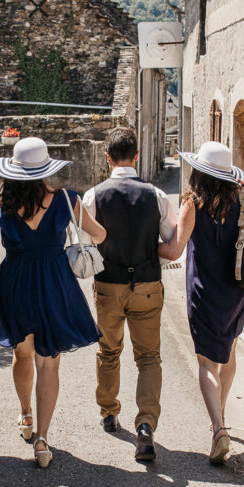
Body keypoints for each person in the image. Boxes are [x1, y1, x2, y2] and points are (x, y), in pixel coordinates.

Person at [0, 137, 107, 468]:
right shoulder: (66, 200)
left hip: (15, 282)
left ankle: (25, 414)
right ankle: (43, 440)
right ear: (46, 169)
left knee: (22, 352)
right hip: (54, 282)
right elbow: (99, 235)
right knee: (50, 361)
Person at [158, 141, 244, 464]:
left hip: (205, 292)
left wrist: (150, 249)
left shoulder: (193, 203)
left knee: (207, 363)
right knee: (229, 354)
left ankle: (219, 430)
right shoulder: (242, 199)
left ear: (199, 171)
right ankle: (219, 416)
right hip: (237, 292)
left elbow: (175, 250)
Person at [81, 127, 176, 462]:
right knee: (148, 358)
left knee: (108, 351)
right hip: (147, 286)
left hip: (109, 285)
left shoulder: (94, 196)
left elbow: (88, 243)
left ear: (108, 157)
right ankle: (146, 425)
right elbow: (170, 242)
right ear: (137, 155)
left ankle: (109, 411)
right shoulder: (156, 196)